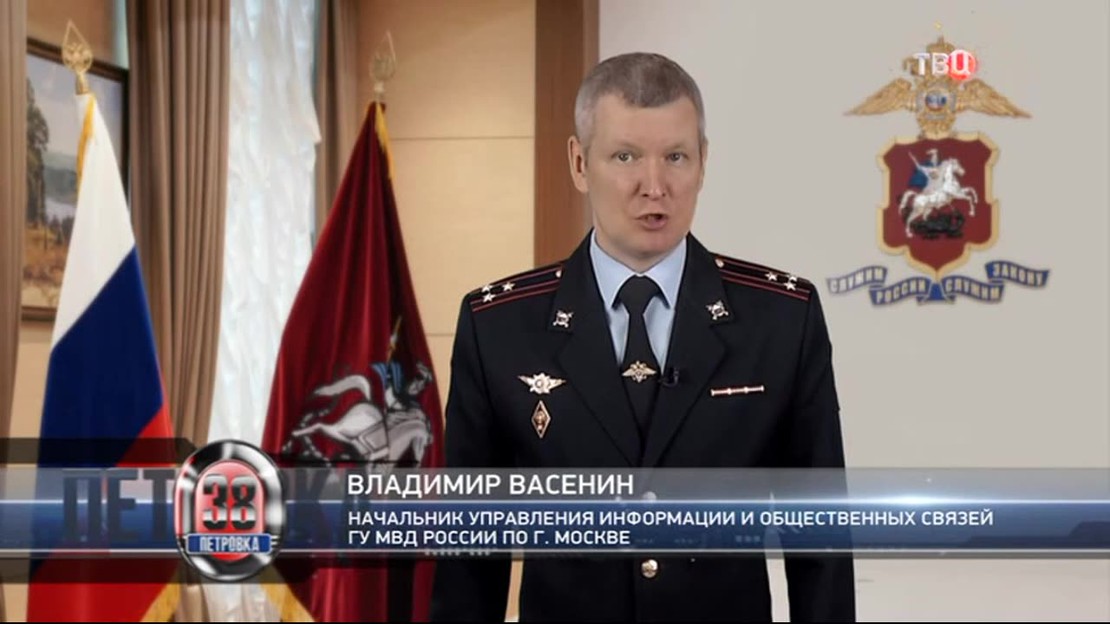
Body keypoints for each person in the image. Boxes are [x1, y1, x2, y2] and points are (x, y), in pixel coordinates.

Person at [430, 52, 855, 622]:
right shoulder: (500, 327)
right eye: (625, 156)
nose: (654, 187)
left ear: (703, 163)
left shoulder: (781, 319)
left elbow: (821, 544)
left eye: (675, 157)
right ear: (579, 163)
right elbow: (469, 558)